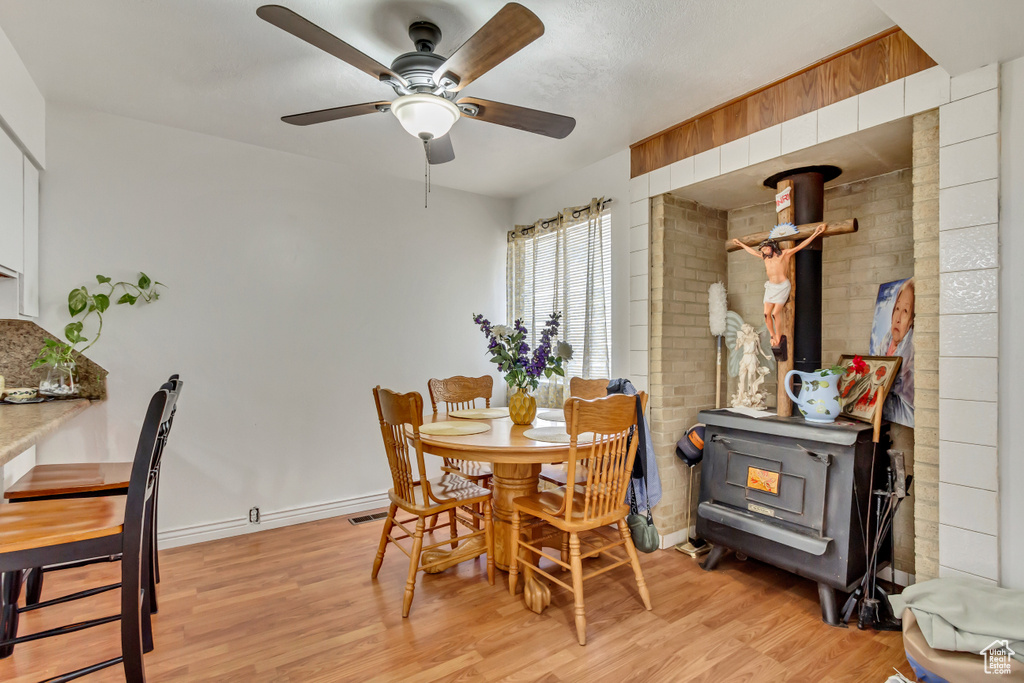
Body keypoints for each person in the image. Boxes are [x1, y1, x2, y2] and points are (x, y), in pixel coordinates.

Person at [732, 223, 826, 359]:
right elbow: (753, 252)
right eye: (763, 250)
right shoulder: (765, 258)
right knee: (766, 314)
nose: (764, 252)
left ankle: (778, 335)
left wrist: (816, 233)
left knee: (776, 313)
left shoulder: (784, 255)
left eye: (765, 249)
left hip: (782, 286)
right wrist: (740, 244)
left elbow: (801, 246)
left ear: (772, 247)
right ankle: (772, 335)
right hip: (771, 287)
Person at [877, 278, 915, 427]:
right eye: (897, 309)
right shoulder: (886, 342)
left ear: (912, 320)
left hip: (904, 423)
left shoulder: (910, 353)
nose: (898, 318)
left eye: (905, 311)